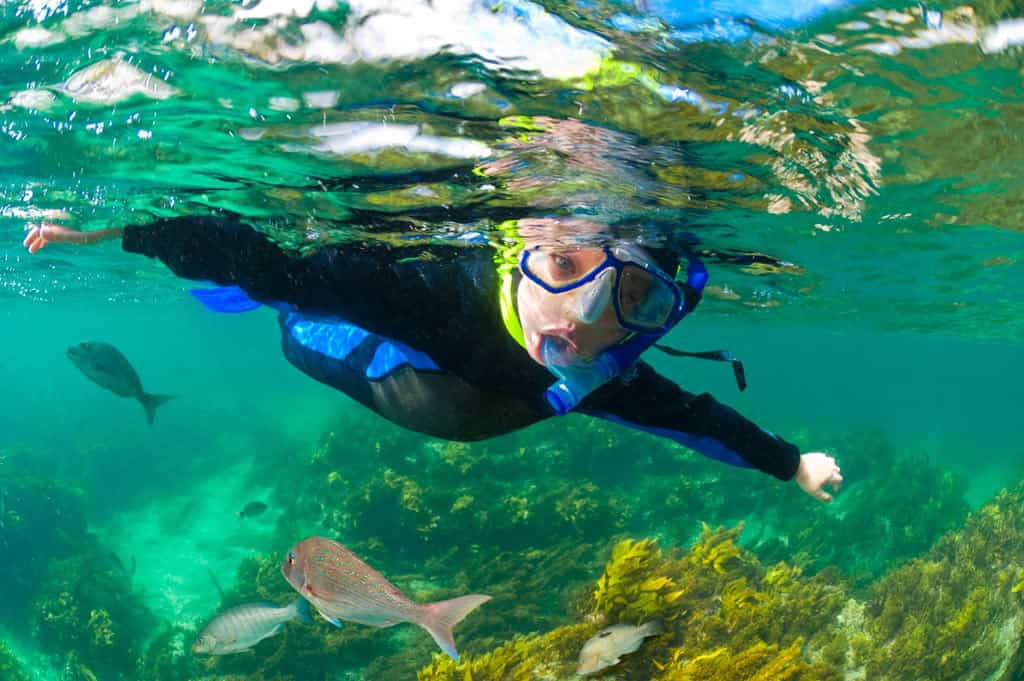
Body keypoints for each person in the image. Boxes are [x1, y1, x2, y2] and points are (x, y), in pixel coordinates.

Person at [22, 214, 843, 502]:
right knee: (296, 304)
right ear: (524, 245)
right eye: (563, 266)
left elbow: (693, 418)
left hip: (482, 406)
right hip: (382, 359)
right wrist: (115, 233)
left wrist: (790, 462)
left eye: (636, 302)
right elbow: (260, 259)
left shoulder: (607, 372)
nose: (581, 321)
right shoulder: (423, 293)